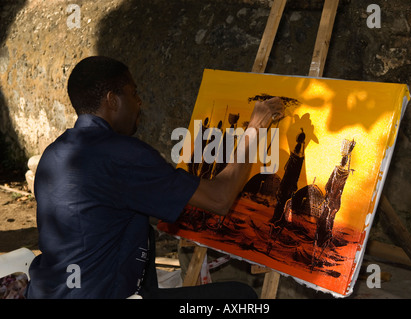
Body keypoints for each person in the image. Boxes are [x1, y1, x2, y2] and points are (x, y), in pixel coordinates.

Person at [25, 56, 284, 299]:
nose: (139, 103)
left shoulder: (54, 152)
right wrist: (254, 129)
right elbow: (220, 198)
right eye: (134, 93)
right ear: (112, 100)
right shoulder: (124, 155)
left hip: (48, 291)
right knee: (240, 298)